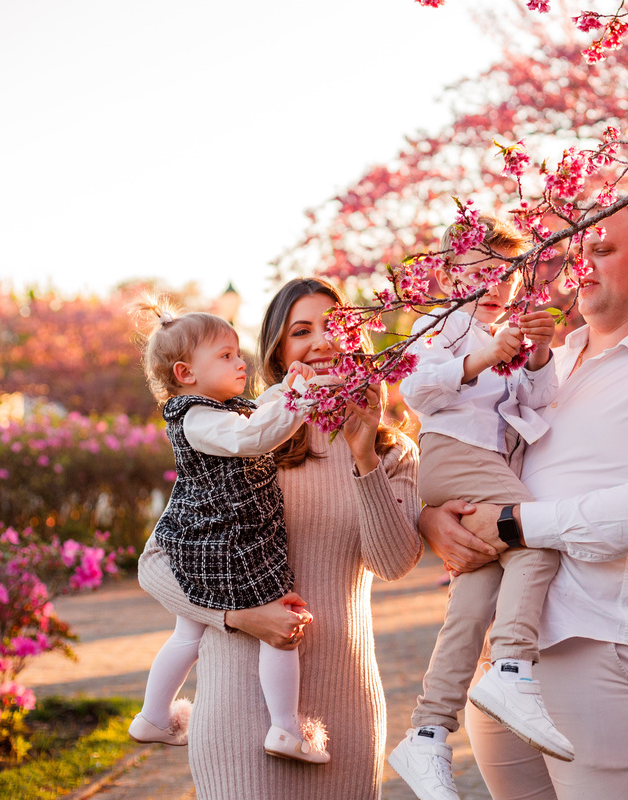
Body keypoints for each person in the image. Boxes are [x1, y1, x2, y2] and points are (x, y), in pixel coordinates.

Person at [420, 197, 628, 799]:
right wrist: (433, 519)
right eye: (578, 252)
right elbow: (469, 452)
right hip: (500, 654)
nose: (582, 266)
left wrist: (513, 524)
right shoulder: (538, 364)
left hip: (598, 646)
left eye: (603, 249)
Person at [137, 277, 425, 799]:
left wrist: (364, 458)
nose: (323, 342)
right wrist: (235, 615)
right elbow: (156, 563)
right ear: (279, 350)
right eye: (302, 331)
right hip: (239, 705)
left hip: (346, 700)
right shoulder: (240, 439)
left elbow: (393, 562)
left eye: (336, 326)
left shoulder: (392, 450)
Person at [389, 215, 566, 800]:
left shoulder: (507, 331)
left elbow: (539, 401)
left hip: (484, 464)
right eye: (483, 270)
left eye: (509, 273)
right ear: (447, 273)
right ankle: (512, 667)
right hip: (451, 453)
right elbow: (415, 391)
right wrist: (482, 355)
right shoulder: (441, 326)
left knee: (469, 606)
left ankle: (427, 733)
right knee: (535, 538)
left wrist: (536, 353)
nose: (497, 284)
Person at [128, 300, 331, 763]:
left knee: (188, 634)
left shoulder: (218, 410)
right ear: (185, 373)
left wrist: (283, 391)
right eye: (224, 355)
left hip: (203, 539)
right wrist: (297, 398)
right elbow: (253, 436)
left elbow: (258, 415)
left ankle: (153, 716)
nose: (241, 362)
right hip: (233, 545)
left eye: (238, 352)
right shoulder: (197, 417)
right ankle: (284, 728)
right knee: (280, 624)